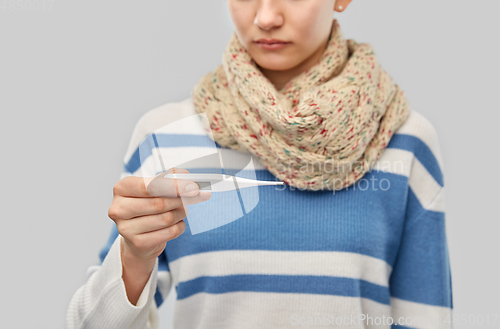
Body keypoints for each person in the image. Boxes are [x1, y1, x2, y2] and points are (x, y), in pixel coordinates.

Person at [67, 0, 453, 328]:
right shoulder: (166, 135)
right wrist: (134, 257)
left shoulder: (402, 140)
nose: (266, 16)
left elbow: (424, 319)